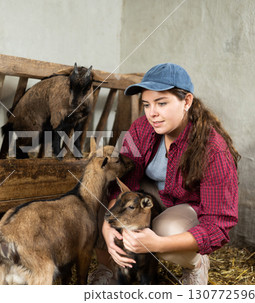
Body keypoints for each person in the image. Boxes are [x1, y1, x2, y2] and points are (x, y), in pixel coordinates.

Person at [89, 63, 240, 285]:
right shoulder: (142, 128)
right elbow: (125, 180)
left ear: (186, 101)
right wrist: (108, 223)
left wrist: (156, 244)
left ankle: (196, 264)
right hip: (152, 197)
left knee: (165, 230)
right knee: (97, 200)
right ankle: (109, 265)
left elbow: (218, 224)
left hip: (187, 207)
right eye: (146, 104)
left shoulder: (214, 149)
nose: (153, 113)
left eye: (162, 103)